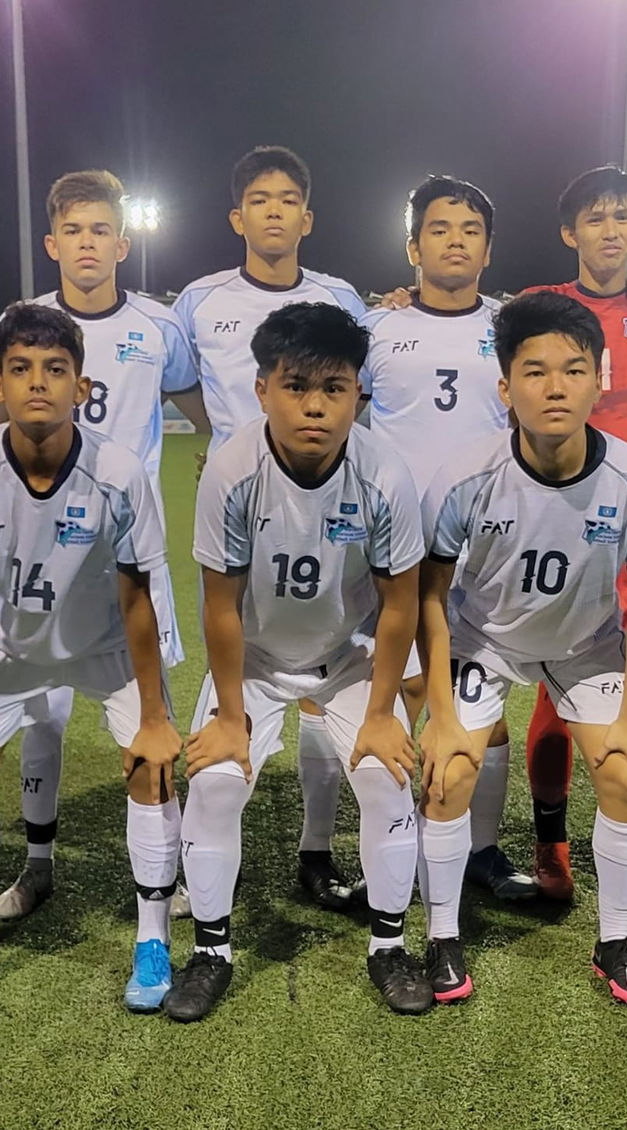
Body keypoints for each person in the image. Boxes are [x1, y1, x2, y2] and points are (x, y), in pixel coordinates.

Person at [172, 302, 432, 1021]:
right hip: (254, 660)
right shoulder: (231, 469)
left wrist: (382, 713)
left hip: (347, 657)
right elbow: (219, 606)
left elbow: (400, 604)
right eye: (296, 386)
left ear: (358, 394)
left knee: (385, 780)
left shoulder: (383, 470)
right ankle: (210, 951)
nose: (315, 406)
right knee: (217, 783)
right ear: (262, 390)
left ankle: (389, 946)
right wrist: (229, 716)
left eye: (335, 387)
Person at [0, 302, 181, 1012]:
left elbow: (139, 601)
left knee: (153, 765)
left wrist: (153, 717)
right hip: (14, 643)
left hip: (104, 645)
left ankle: (152, 942)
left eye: (57, 370)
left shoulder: (121, 473)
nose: (39, 382)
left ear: (82, 387)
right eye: (21, 368)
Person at [416, 291, 627, 1006]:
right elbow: (429, 596)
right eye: (533, 372)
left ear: (602, 378)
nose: (554, 387)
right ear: (505, 388)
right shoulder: (465, 475)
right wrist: (439, 710)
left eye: (573, 369)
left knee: (625, 773)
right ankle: (441, 936)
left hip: (584, 645)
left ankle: (615, 939)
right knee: (448, 772)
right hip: (484, 638)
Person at [0, 169, 204, 920]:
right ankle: (37, 867)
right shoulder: (21, 322)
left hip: (123, 562)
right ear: (52, 242)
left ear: (123, 243)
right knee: (42, 717)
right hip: (34, 560)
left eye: (101, 230)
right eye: (73, 231)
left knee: (151, 732)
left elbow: (205, 410)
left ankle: (173, 877)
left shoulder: (158, 329)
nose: (87, 243)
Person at [172, 146, 370, 912]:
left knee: (327, 656)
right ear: (238, 216)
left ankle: (315, 850)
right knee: (243, 642)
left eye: (289, 198)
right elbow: (187, 384)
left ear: (307, 217)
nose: (275, 211)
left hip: (323, 501)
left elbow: (356, 384)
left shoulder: (341, 297)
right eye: (260, 199)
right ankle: (205, 864)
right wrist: (227, 447)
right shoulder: (200, 299)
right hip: (241, 504)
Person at [358, 174, 534, 902]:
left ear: (488, 250)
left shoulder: (515, 327)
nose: (454, 240)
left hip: (486, 546)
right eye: (439, 228)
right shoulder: (376, 328)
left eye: (469, 230)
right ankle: (400, 845)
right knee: (397, 695)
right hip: (395, 550)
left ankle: (481, 852)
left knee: (478, 702)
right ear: (412, 246)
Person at [518, 165, 627, 903]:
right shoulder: (536, 306)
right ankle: (551, 843)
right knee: (559, 691)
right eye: (594, 218)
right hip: (560, 522)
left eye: (622, 216)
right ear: (570, 233)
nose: (610, 230)